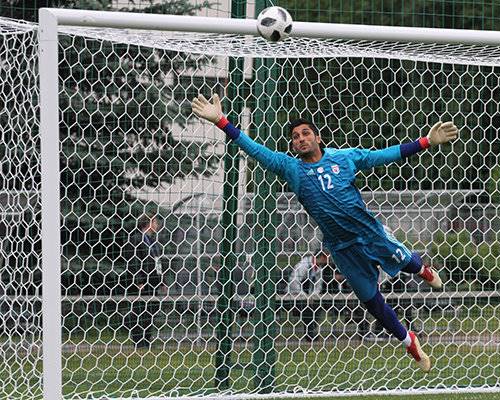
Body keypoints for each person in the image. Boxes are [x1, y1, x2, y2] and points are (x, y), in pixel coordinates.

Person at [192, 93, 459, 372]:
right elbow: (256, 149)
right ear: (293, 145)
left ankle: (424, 271)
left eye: (306, 133)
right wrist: (222, 121)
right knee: (371, 301)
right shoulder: (291, 168)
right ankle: (409, 341)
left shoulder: (344, 158)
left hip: (369, 232)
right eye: (295, 137)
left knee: (408, 263)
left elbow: (384, 156)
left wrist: (425, 142)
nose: (300, 138)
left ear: (318, 138)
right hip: (341, 247)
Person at [124, 214, 164, 349]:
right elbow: (133, 261)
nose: (157, 225)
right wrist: (138, 280)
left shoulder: (153, 242)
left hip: (153, 283)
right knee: (138, 311)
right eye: (155, 222)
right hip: (141, 283)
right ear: (148, 223)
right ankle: (138, 342)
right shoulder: (135, 240)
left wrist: (162, 281)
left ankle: (146, 340)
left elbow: (158, 262)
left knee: (150, 311)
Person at [287, 251, 329, 341]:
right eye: (326, 258)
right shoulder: (304, 265)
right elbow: (294, 282)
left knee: (317, 306)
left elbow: (319, 286)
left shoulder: (319, 268)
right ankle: (309, 334)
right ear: (320, 257)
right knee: (307, 308)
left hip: (308, 296)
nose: (327, 261)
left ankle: (311, 330)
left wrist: (313, 296)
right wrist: (304, 296)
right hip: (292, 295)